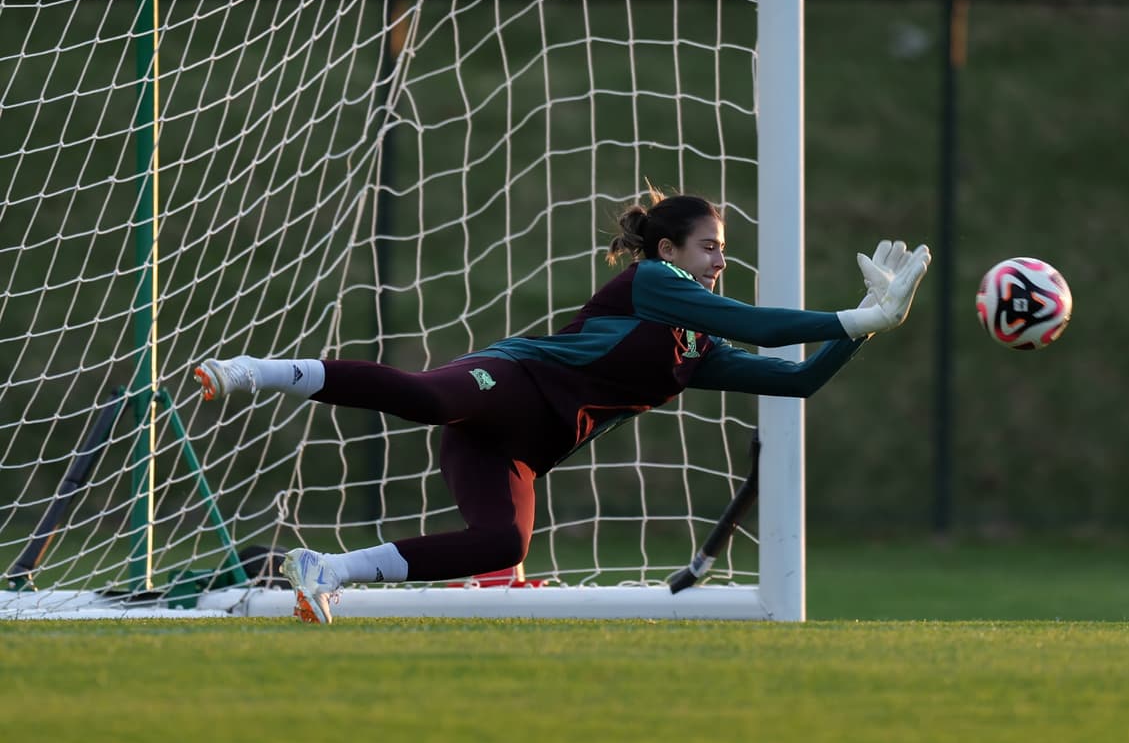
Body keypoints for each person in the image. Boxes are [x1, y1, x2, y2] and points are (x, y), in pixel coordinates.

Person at [193, 188, 931, 623]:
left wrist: (871, 324)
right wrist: (855, 316)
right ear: (668, 251)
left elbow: (796, 381)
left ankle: (325, 568)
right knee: (424, 396)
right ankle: (255, 370)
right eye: (709, 246)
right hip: (510, 382)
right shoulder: (654, 282)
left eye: (722, 247)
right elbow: (760, 325)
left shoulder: (696, 349)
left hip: (520, 449)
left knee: (500, 545)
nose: (720, 258)